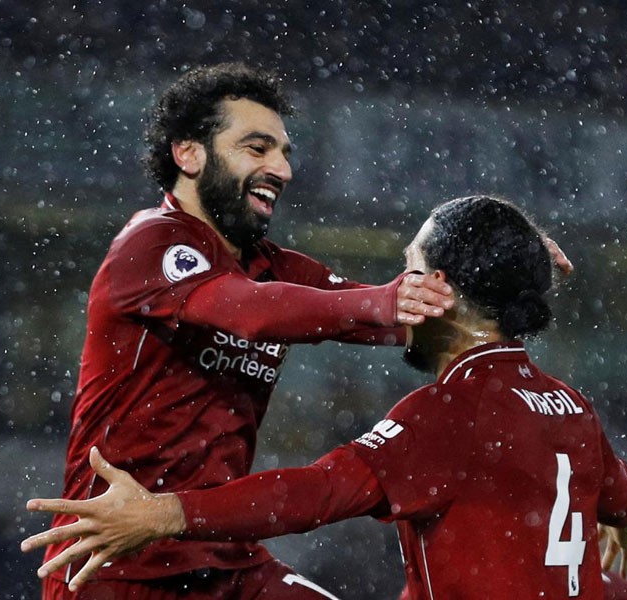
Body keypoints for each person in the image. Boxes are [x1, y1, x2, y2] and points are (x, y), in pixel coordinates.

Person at [23, 195, 627, 599]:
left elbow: (313, 493)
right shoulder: (571, 408)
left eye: (408, 270)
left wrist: (165, 513)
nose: (396, 288)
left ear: (440, 288)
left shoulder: (448, 414)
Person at [36, 61, 462, 600]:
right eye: (257, 149)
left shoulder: (274, 266)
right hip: (116, 561)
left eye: (284, 153)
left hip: (222, 558)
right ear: (188, 154)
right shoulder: (150, 244)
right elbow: (249, 311)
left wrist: (499, 261)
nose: (281, 170)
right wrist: (384, 300)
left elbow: (401, 318)